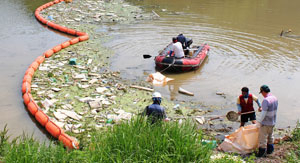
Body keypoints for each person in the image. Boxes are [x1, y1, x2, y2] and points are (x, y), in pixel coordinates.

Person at [256, 85, 278, 157]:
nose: (261, 94)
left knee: (262, 138)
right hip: (272, 121)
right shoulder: (274, 98)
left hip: (265, 123)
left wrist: (259, 122)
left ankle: (261, 154)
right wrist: (262, 109)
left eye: (261, 92)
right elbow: (270, 109)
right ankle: (270, 151)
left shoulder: (266, 100)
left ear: (263, 91)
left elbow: (263, 113)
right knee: (270, 136)